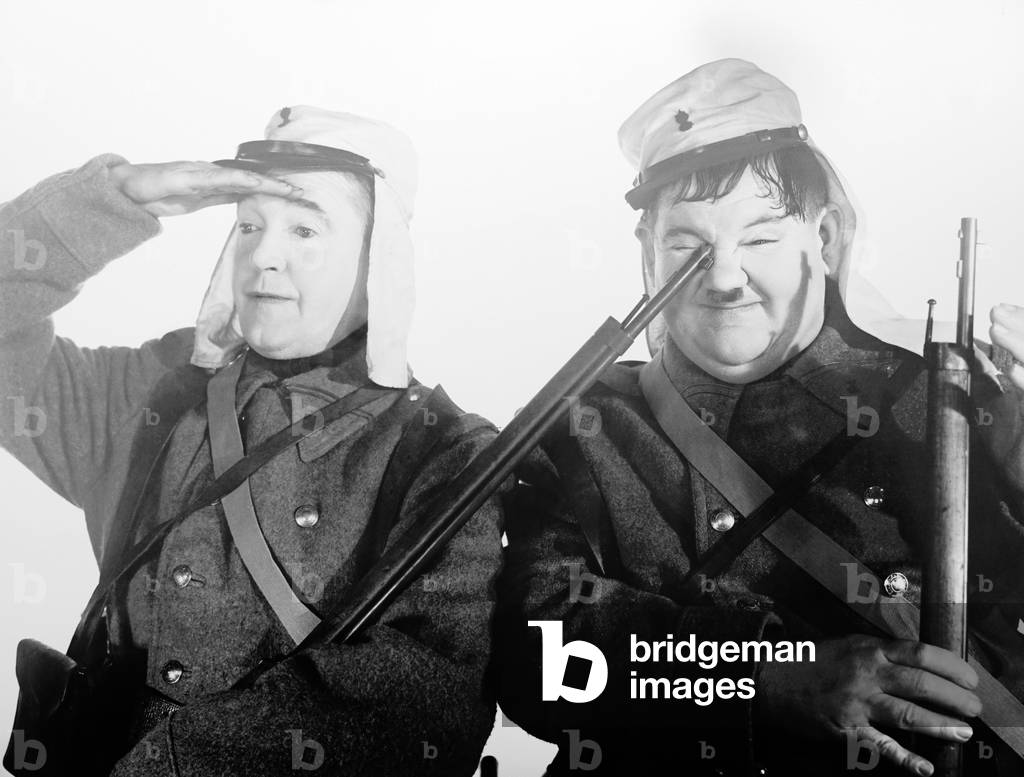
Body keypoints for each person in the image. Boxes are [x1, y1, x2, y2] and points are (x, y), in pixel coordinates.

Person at [495, 59, 1024, 776]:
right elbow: (542, 661)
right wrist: (762, 678)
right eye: (685, 246)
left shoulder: (945, 400)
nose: (721, 277)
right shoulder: (585, 427)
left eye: (762, 238)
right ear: (647, 255)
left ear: (827, 235)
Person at [0, 106, 502, 776]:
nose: (265, 255)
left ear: (377, 257)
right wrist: (113, 200)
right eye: (249, 225)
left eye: (304, 228)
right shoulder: (159, 397)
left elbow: (426, 699)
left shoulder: (444, 454)